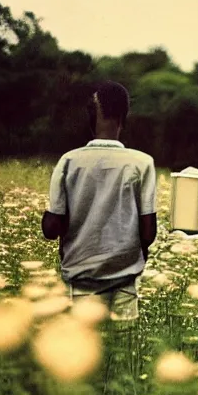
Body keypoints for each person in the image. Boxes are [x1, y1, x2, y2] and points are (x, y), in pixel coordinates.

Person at [41, 80, 157, 326]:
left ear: (93, 115)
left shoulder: (69, 162)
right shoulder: (142, 163)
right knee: (122, 354)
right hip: (125, 281)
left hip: (80, 281)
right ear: (123, 117)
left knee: (85, 352)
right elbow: (148, 233)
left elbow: (51, 230)